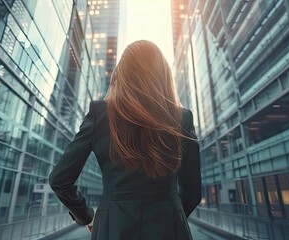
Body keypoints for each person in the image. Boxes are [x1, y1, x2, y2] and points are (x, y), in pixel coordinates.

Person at [49, 40, 201, 240]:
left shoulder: (100, 113)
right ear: (163, 75)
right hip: (169, 228)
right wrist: (173, 213)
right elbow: (192, 192)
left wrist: (86, 217)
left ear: (121, 74)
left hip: (112, 227)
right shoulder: (182, 117)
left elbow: (60, 180)